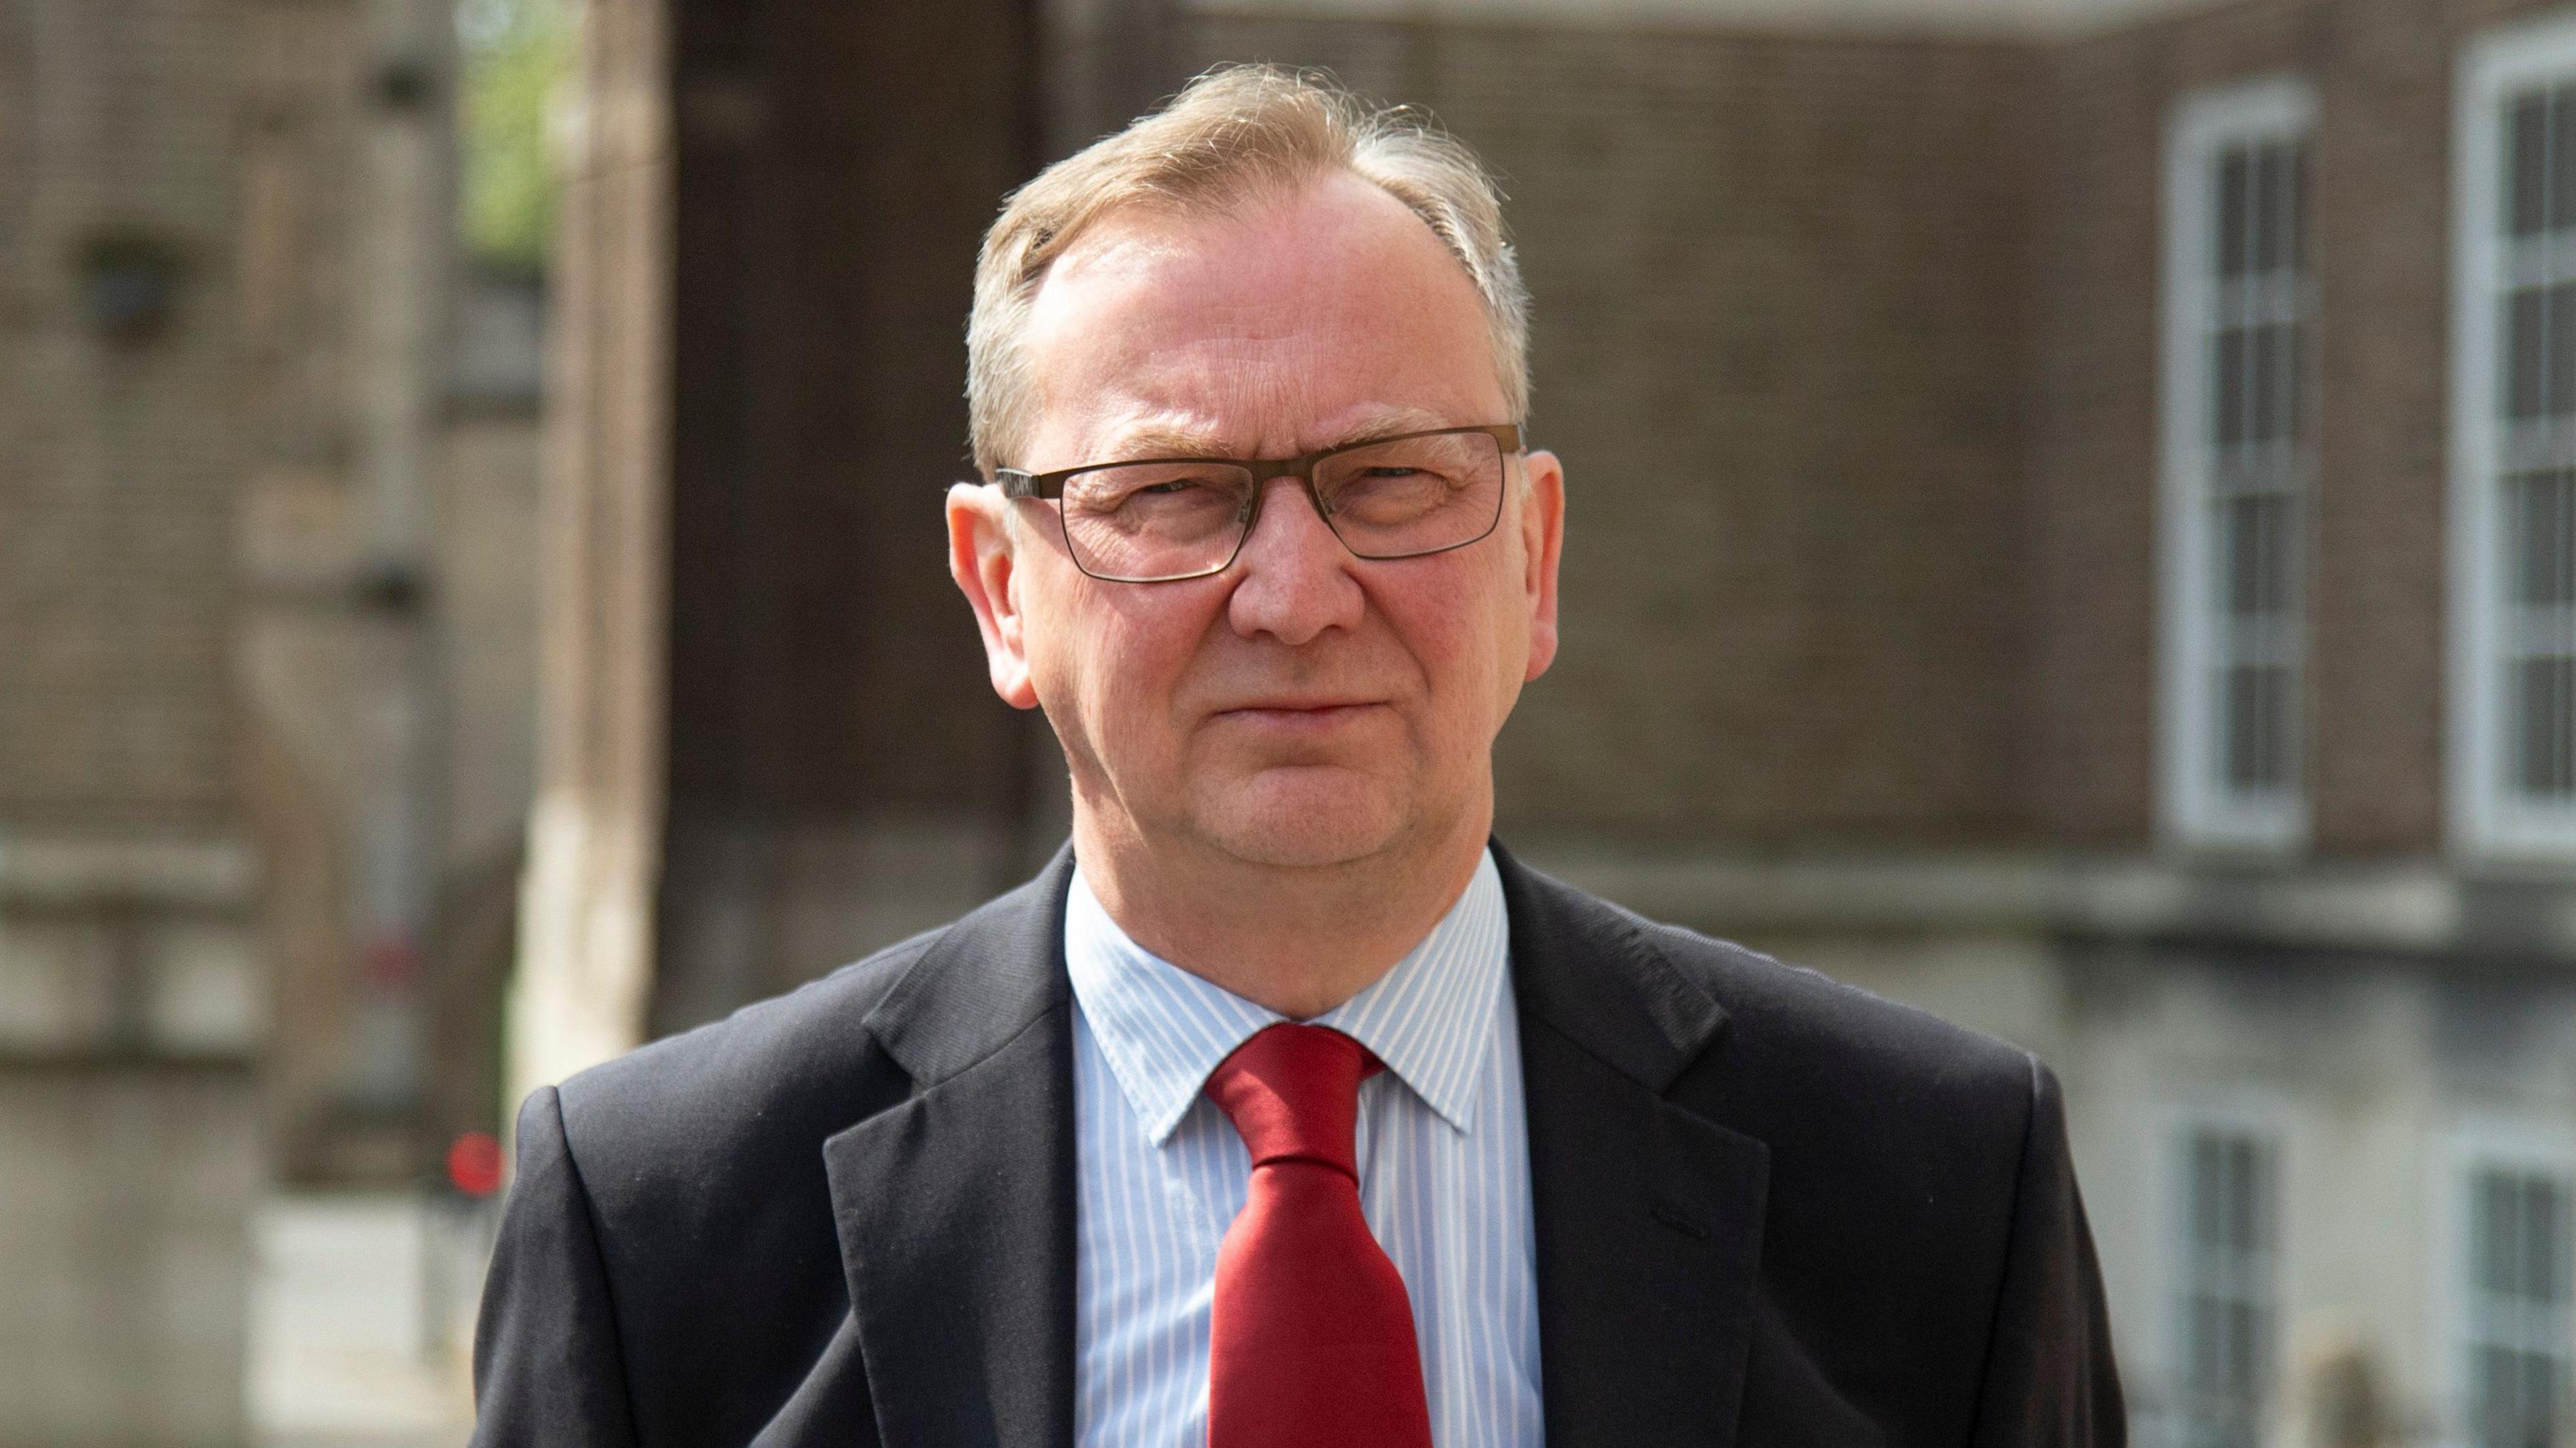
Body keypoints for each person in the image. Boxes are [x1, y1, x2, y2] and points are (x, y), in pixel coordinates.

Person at [470, 64, 2124, 1448]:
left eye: (1394, 477)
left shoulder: (1940, 1196)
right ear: (1000, 593)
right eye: (1171, 495)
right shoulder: (656, 1230)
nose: (1296, 593)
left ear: (1533, 563)